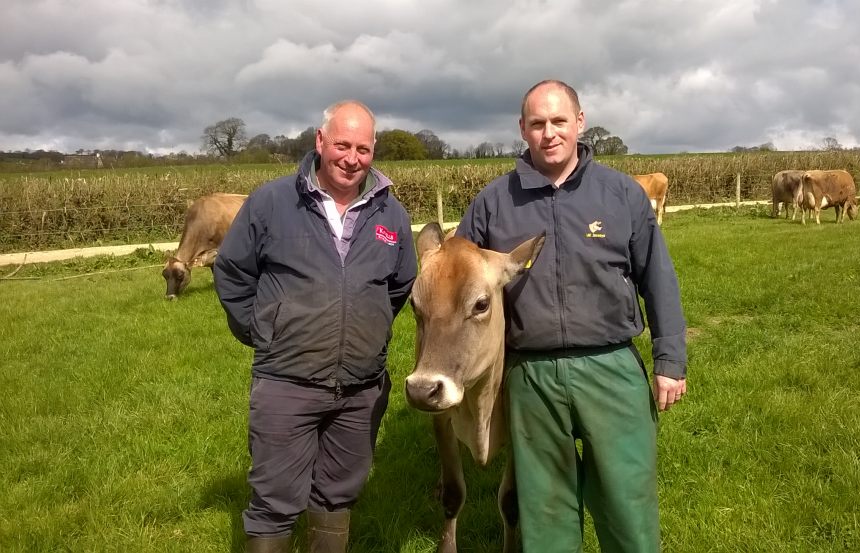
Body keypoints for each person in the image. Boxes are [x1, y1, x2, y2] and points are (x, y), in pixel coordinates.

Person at [455, 80, 688, 552]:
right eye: (537, 123)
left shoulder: (621, 195)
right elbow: (455, 281)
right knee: (545, 511)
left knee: (627, 499)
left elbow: (658, 279)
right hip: (531, 377)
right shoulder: (494, 202)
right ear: (522, 129)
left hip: (611, 368)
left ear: (579, 122)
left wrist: (669, 362)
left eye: (559, 121)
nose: (549, 133)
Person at [212, 101, 416, 553]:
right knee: (274, 500)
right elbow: (232, 271)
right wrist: (266, 331)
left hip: (361, 390)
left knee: (338, 494)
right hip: (287, 382)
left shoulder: (392, 215)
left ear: (373, 150)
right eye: (342, 144)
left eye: (363, 148)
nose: (352, 158)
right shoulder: (271, 202)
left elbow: (400, 286)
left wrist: (368, 329)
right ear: (320, 142)